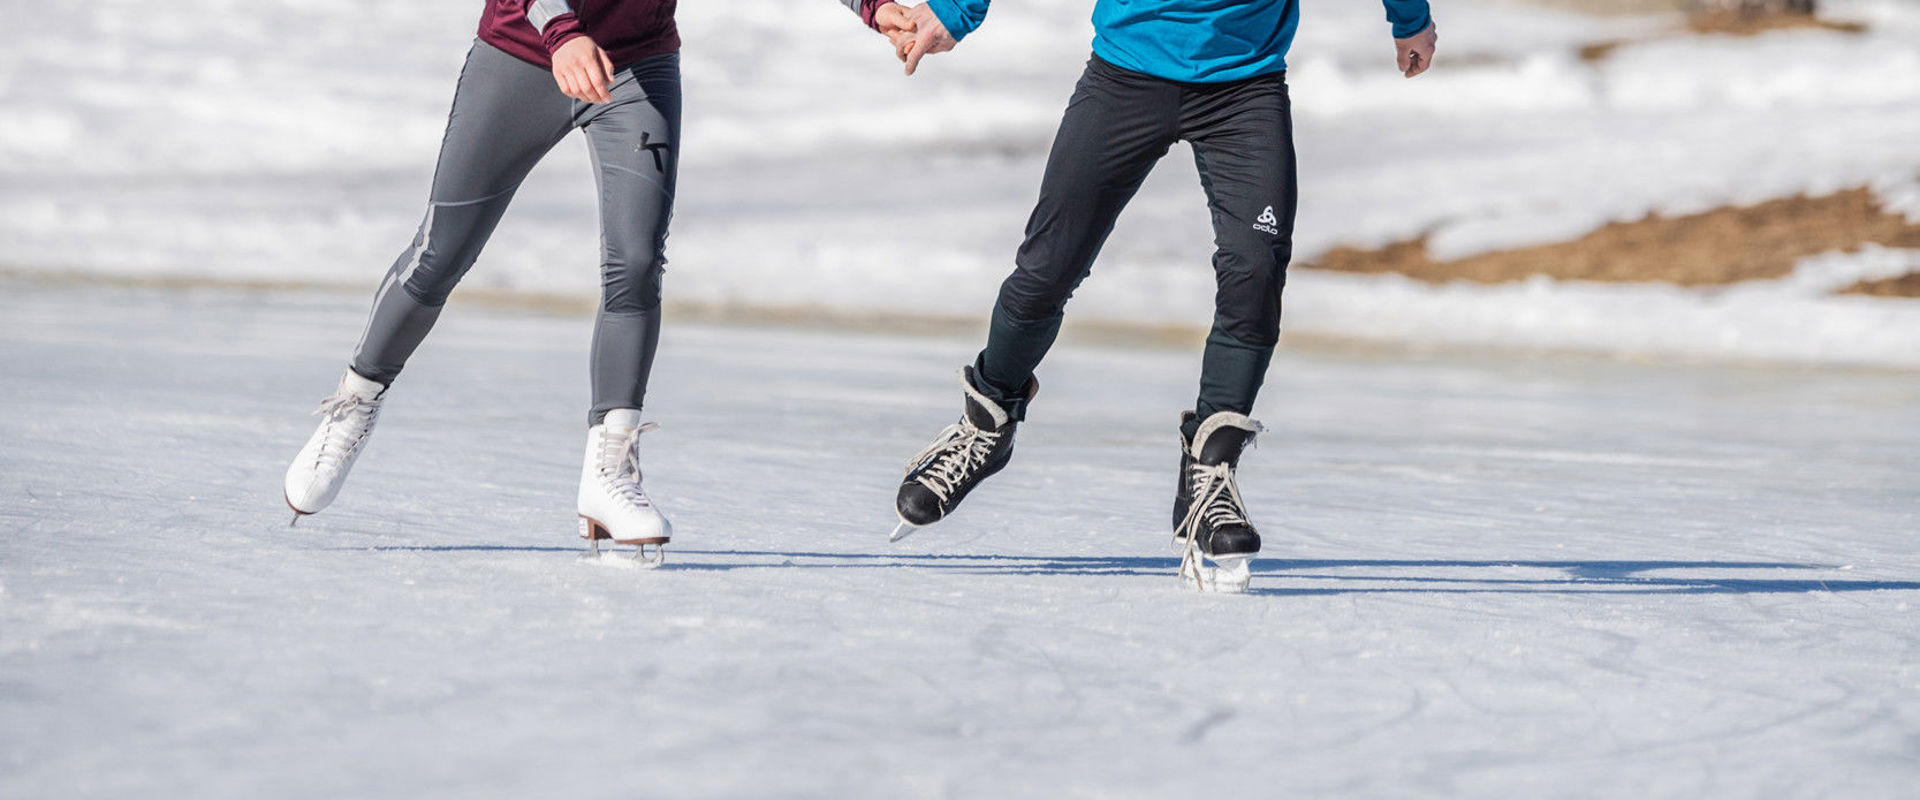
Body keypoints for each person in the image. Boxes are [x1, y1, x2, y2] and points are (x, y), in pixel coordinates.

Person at [283, 0, 914, 562]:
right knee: (441, 254)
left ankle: (610, 467)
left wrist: (874, 5)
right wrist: (560, 30)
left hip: (636, 67)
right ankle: (354, 404)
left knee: (636, 263)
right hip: (523, 53)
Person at [882, 0, 1438, 591]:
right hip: (1125, 74)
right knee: (1049, 266)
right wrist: (956, 12)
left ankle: (1211, 472)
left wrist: (1409, 18)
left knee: (1255, 271)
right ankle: (985, 423)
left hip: (1244, 87)